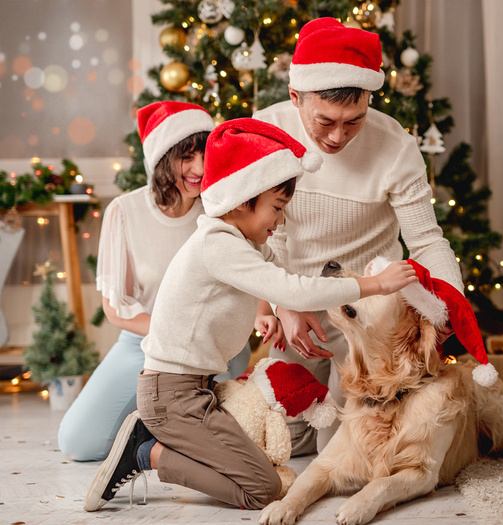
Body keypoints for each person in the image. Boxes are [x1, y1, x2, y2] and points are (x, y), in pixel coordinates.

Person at [83, 118, 418, 512]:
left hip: (196, 387)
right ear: (243, 200)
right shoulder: (218, 243)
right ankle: (148, 452)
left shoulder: (243, 243)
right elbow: (287, 285)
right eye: (276, 209)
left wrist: (288, 308)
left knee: (258, 471)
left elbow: (283, 280)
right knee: (262, 489)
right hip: (172, 394)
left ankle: (159, 443)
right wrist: (373, 286)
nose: (279, 221)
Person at [253, 17, 464, 454]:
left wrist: (449, 312)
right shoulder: (265, 132)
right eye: (325, 121)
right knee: (282, 441)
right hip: (300, 308)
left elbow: (426, 241)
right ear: (295, 97)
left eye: (354, 121)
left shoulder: (396, 147)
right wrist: (283, 303)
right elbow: (257, 238)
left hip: (368, 314)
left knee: (348, 448)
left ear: (369, 99)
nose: (337, 136)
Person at [58, 101, 251, 462]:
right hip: (144, 343)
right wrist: (171, 337)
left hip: (213, 346)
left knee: (229, 437)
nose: (199, 169)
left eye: (205, 155)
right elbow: (116, 308)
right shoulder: (124, 212)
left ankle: (160, 435)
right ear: (163, 160)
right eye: (186, 157)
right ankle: (155, 427)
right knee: (78, 442)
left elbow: (250, 273)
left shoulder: (219, 209)